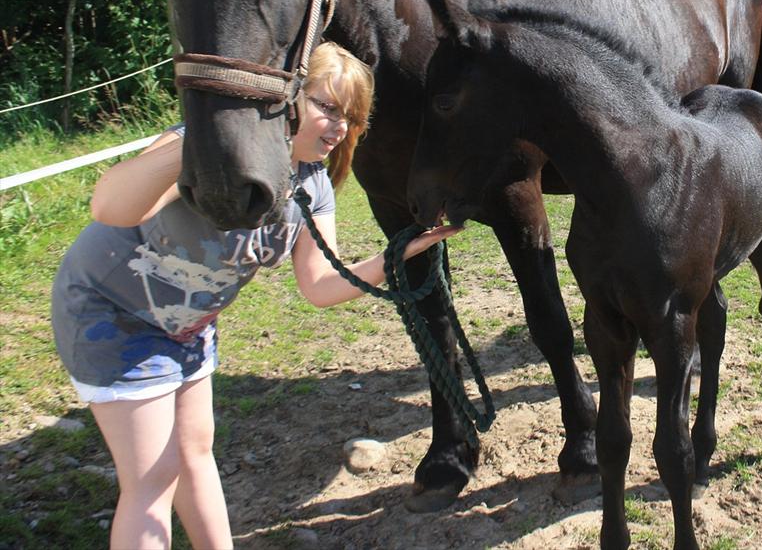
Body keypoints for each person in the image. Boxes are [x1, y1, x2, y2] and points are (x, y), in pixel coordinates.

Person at [51, 42, 461, 550]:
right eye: (327, 108)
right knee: (154, 479)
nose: (338, 128)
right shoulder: (205, 148)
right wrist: (215, 132)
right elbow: (110, 206)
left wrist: (399, 255)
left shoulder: (312, 186)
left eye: (349, 116)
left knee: (195, 453)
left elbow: (319, 286)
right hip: (113, 316)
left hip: (188, 325)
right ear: (285, 96)